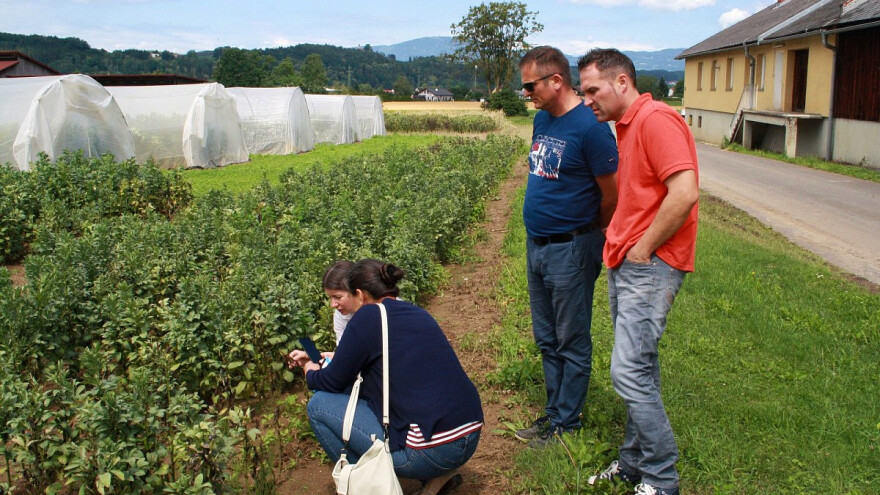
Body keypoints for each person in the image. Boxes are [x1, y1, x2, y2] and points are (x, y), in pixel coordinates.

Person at [577, 48, 699, 495]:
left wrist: (644, 247)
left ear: (622, 83)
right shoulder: (626, 127)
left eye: (593, 89)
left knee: (627, 372)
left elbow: (684, 193)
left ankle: (662, 479)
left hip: (650, 264)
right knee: (640, 368)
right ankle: (632, 466)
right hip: (628, 261)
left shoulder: (656, 120)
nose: (587, 99)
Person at [288, 259, 483, 495]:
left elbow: (331, 382)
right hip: (469, 434)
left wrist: (309, 368)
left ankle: (368, 486)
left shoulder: (368, 316)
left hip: (434, 450)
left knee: (319, 406)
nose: (334, 305)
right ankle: (436, 478)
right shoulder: (415, 312)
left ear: (359, 293)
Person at [514, 46, 619, 449]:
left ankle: (567, 423)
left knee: (570, 338)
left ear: (556, 80)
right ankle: (554, 414)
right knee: (546, 336)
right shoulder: (543, 119)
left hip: (571, 248)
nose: (526, 93)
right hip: (537, 246)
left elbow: (611, 193)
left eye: (530, 85)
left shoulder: (590, 128)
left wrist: (590, 231)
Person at [322, 260, 359, 344]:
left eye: (338, 297)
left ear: (357, 292)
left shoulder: (383, 312)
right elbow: (344, 351)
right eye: (330, 298)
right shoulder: (340, 315)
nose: (332, 305)